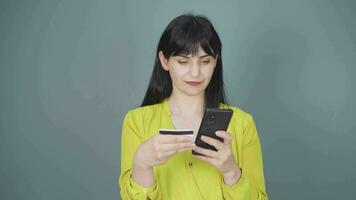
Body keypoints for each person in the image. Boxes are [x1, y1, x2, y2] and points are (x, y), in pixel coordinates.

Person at [119, 13, 268, 200]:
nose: (195, 73)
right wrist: (141, 163)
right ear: (165, 61)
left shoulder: (242, 124)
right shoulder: (136, 122)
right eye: (183, 61)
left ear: (216, 61)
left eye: (205, 61)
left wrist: (231, 171)